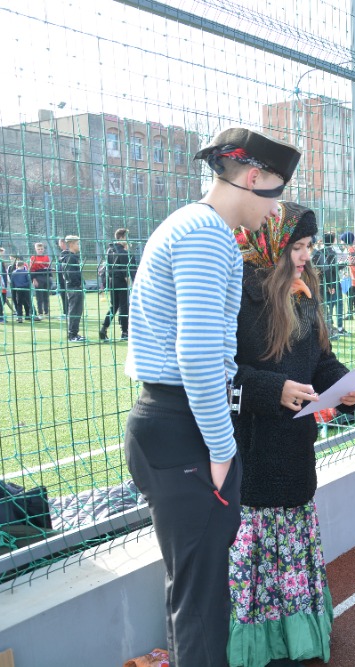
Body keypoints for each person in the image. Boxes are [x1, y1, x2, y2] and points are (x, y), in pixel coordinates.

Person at [123, 127, 301, 667]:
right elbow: (198, 355)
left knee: (195, 594)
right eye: (276, 193)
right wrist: (223, 450)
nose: (277, 212)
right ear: (254, 178)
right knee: (201, 605)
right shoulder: (206, 234)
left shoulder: (194, 226)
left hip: (174, 420)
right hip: (184, 424)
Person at [229, 202, 355, 667]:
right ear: (272, 244)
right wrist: (274, 390)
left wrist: (344, 386)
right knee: (258, 550)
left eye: (309, 245)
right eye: (298, 246)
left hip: (294, 449)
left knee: (292, 541)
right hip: (252, 449)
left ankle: (296, 636)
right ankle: (259, 643)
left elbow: (320, 360)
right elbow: (220, 374)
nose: (306, 255)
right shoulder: (239, 294)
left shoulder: (304, 293)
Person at [99, 228, 135, 341]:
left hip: (112, 281)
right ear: (122, 237)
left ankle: (104, 328)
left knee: (114, 306)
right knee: (124, 307)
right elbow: (126, 273)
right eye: (127, 237)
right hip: (121, 282)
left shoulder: (110, 250)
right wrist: (130, 285)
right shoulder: (123, 253)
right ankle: (125, 332)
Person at [312, 232, 343, 338]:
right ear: (333, 241)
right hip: (331, 282)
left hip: (319, 283)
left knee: (325, 306)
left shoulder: (319, 252)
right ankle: (335, 328)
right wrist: (342, 265)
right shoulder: (331, 253)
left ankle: (330, 327)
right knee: (336, 304)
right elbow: (330, 268)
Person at [59, 236, 85, 342]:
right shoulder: (70, 258)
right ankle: (72, 335)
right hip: (74, 287)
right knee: (74, 311)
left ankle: (74, 333)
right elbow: (71, 274)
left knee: (77, 311)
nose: (79, 246)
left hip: (73, 286)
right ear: (71, 244)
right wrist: (78, 283)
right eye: (77, 244)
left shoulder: (71, 257)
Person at [29, 242, 52, 318]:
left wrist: (50, 277)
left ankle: (46, 312)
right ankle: (40, 312)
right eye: (38, 249)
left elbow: (48, 267)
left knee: (46, 296)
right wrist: (33, 279)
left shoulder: (46, 257)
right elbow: (32, 269)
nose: (40, 250)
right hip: (38, 277)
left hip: (46, 277)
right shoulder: (33, 258)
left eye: (41, 249)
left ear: (43, 249)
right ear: (36, 249)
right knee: (39, 296)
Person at [340, 231, 355, 320]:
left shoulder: (351, 250)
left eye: (342, 240)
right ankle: (351, 313)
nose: (341, 242)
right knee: (351, 297)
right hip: (351, 278)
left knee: (353, 298)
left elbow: (352, 264)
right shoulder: (350, 249)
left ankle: (352, 314)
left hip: (353, 279)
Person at [55, 238, 68, 318]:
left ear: (63, 243)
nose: (59, 245)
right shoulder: (62, 253)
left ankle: (67, 313)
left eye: (60, 243)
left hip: (65, 278)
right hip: (61, 278)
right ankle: (65, 312)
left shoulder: (66, 253)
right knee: (63, 295)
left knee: (66, 295)